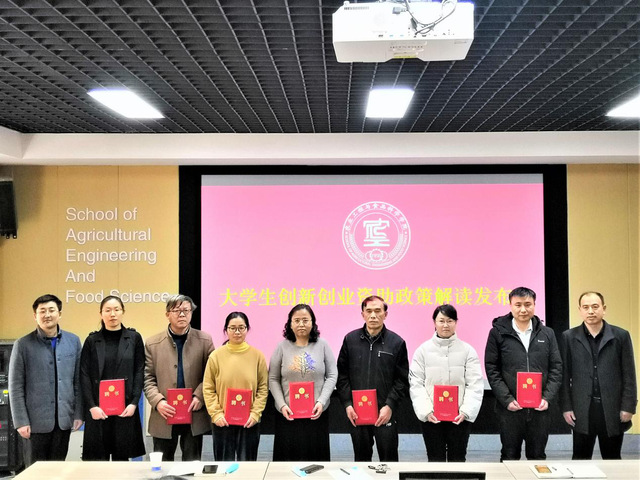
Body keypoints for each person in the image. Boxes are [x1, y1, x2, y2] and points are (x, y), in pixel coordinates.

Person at [484, 286, 562, 461]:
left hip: (539, 409)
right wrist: (507, 399)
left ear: (534, 305)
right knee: (509, 456)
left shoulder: (547, 333)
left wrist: (547, 398)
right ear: (510, 306)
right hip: (510, 409)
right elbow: (492, 368)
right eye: (518, 305)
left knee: (537, 456)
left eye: (528, 304)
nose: (523, 309)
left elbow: (556, 368)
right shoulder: (497, 333)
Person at [8, 294, 83, 467]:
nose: (47, 315)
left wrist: (78, 414)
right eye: (42, 311)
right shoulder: (23, 344)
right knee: (35, 472)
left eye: (51, 310)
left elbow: (77, 382)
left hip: (63, 421)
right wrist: (21, 421)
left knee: (58, 470)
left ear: (59, 314)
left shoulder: (73, 341)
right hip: (34, 424)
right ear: (35, 315)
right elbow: (15, 386)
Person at [561, 291, 637, 459]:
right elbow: (565, 376)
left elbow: (629, 374)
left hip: (612, 408)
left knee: (612, 458)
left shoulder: (620, 336)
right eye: (586, 307)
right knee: (580, 459)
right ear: (580, 310)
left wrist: (628, 406)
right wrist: (567, 407)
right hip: (582, 409)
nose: (591, 311)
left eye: (595, 307)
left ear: (604, 309)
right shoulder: (569, 337)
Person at [336, 295, 409, 462]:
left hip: (385, 413)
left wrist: (390, 405)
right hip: (357, 412)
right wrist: (347, 404)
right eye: (368, 311)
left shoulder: (397, 342)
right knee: (361, 461)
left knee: (389, 461)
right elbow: (342, 375)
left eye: (378, 311)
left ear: (385, 314)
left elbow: (402, 380)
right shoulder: (350, 340)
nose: (373, 315)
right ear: (362, 314)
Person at [144, 295, 215, 460]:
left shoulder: (205, 340)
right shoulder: (153, 343)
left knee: (192, 463)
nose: (182, 314)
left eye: (186, 310)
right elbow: (148, 378)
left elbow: (211, 374)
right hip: (164, 413)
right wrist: (158, 402)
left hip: (193, 411)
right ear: (167, 314)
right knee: (162, 465)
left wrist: (200, 396)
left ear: (191, 313)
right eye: (177, 310)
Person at [409, 304, 484, 462]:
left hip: (459, 417)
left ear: (456, 322)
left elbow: (475, 384)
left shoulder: (468, 350)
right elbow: (416, 384)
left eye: (450, 321)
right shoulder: (422, 351)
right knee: (435, 459)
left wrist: (466, 411)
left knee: (458, 459)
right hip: (431, 417)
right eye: (441, 321)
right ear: (434, 323)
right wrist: (426, 411)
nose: (445, 325)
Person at [268, 304, 338, 461]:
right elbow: (273, 378)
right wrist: (282, 405)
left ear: (312, 322)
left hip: (316, 413)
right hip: (288, 414)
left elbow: (332, 375)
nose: (301, 324)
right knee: (287, 460)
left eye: (305, 320)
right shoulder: (281, 347)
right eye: (297, 320)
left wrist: (321, 401)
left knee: (316, 461)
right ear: (290, 323)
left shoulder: (323, 345)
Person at [80, 295, 146, 460]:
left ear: (123, 312)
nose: (112, 314)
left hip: (125, 408)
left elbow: (139, 371)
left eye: (117, 309)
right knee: (98, 463)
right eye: (108, 310)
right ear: (101, 313)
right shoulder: (92, 340)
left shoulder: (134, 338)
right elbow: (84, 375)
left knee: (122, 461)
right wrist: (92, 406)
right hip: (98, 410)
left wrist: (134, 403)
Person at [203, 312, 268, 461]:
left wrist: (255, 413)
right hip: (222, 420)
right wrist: (216, 413)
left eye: (241, 328)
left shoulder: (257, 356)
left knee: (248, 465)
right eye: (232, 328)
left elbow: (263, 388)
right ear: (226, 330)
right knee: (224, 466)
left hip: (249, 421)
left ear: (247, 329)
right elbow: (208, 388)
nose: (237, 332)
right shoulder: (215, 356)